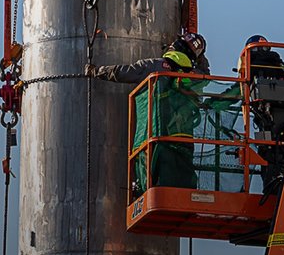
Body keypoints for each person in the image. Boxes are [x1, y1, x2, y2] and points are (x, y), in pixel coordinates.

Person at [85, 32, 208, 190]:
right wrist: (201, 56)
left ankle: (143, 190)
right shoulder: (195, 76)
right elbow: (206, 75)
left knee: (151, 177)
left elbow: (128, 71)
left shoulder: (156, 66)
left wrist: (98, 71)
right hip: (182, 138)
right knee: (180, 175)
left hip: (154, 136)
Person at [239, 35, 284, 192]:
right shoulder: (280, 65)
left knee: (269, 155)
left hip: (270, 121)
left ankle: (271, 189)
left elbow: (242, 90)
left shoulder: (254, 66)